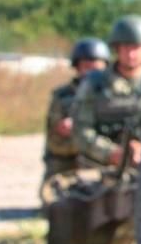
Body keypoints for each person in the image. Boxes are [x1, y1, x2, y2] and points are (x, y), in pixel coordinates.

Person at [71, 15, 141, 171]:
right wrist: (112, 153)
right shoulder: (94, 84)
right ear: (117, 49)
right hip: (99, 166)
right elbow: (80, 130)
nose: (131, 54)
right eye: (126, 48)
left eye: (136, 48)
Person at [40, 38, 110, 199]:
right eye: (87, 67)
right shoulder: (62, 96)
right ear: (77, 68)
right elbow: (54, 142)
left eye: (97, 69)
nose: (91, 74)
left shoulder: (111, 96)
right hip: (66, 165)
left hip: (102, 163)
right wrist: (75, 131)